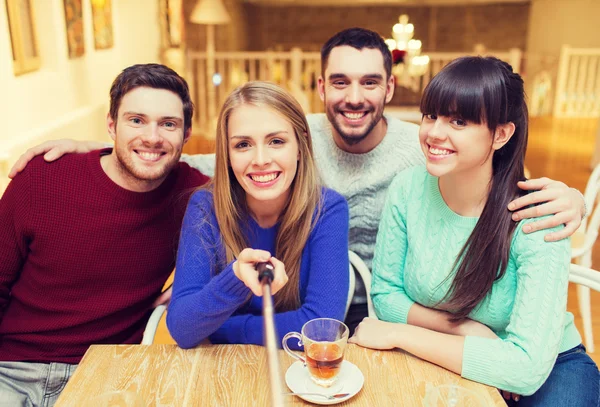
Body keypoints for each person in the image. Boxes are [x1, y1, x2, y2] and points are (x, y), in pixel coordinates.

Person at [8, 28, 587, 335]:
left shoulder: (427, 146)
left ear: (389, 88)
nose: (353, 96)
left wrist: (567, 195)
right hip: (294, 315)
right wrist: (107, 142)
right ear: (319, 89)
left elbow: (496, 178)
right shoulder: (284, 137)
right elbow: (210, 165)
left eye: (368, 82)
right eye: (339, 81)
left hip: (375, 313)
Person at [349, 56, 599, 406]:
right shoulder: (407, 189)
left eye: (460, 121)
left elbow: (526, 369)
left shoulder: (537, 215)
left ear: (501, 134)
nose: (435, 133)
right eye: (432, 115)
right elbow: (386, 294)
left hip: (549, 368)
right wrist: (467, 328)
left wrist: (396, 333)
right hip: (446, 355)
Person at [0, 64, 210, 406]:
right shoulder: (41, 178)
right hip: (11, 367)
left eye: (168, 124)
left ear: (186, 135)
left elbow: (252, 207)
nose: (152, 137)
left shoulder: (194, 195)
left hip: (106, 373)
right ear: (111, 124)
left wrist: (193, 282)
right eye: (136, 120)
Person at [166, 81, 349, 348]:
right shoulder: (205, 207)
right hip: (219, 372)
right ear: (227, 155)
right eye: (243, 145)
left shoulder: (327, 209)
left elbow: (322, 328)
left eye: (276, 141)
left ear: (301, 146)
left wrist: (217, 328)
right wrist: (237, 277)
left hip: (295, 372)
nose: (261, 159)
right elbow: (182, 328)